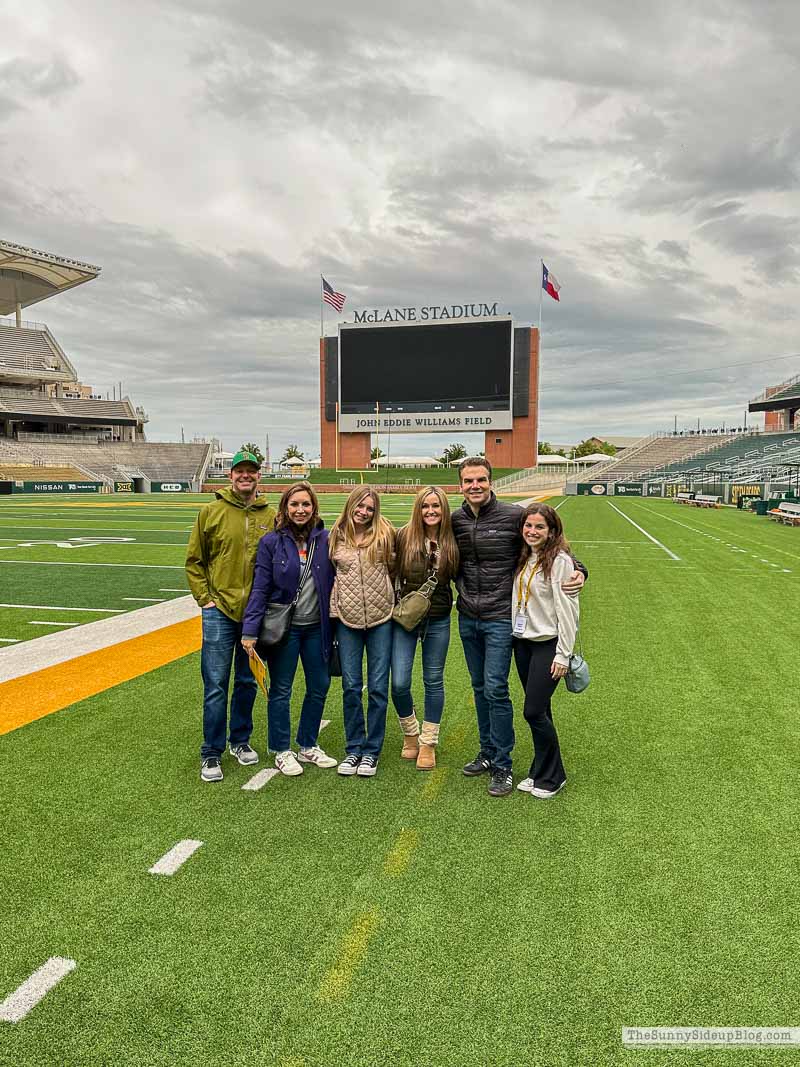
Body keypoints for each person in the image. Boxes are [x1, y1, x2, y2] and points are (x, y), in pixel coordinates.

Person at [451, 456, 586, 798]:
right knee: (480, 686)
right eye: (468, 481)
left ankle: (502, 763)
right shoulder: (456, 520)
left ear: (491, 481)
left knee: (496, 688)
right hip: (468, 616)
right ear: (461, 485)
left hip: (501, 619)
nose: (475, 486)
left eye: (481, 479)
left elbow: (552, 546)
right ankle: (486, 751)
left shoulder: (513, 517)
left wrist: (580, 570)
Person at [186, 449, 276, 783]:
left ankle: (240, 740)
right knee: (215, 684)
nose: (245, 476)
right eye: (240, 471)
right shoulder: (210, 512)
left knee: (247, 680)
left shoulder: (271, 514)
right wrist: (205, 599)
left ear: (258, 476)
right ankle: (211, 752)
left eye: (251, 471)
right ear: (230, 475)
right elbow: (194, 561)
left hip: (255, 613)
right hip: (219, 610)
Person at [241, 482, 338, 775]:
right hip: (285, 629)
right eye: (294, 504)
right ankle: (281, 750)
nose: (300, 510)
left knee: (319, 686)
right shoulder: (271, 542)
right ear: (285, 508)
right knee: (281, 689)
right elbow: (260, 587)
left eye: (306, 504)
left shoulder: (326, 539)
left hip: (317, 628)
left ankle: (308, 745)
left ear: (314, 508)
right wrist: (250, 629)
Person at [390, 485, 459, 770]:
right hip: (406, 619)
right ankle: (410, 733)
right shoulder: (404, 535)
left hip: (439, 618)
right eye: (425, 506)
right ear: (418, 509)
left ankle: (428, 742)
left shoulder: (455, 539)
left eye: (436, 506)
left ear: (444, 509)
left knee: (433, 680)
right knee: (400, 682)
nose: (431, 511)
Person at [329, 485, 396, 778]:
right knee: (351, 687)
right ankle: (354, 748)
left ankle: (372, 752)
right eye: (360, 506)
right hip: (347, 620)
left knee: (379, 688)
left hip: (382, 619)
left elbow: (396, 569)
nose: (364, 512)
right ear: (351, 504)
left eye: (369, 508)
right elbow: (329, 576)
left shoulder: (385, 534)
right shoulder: (335, 535)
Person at [512, 504, 578, 798]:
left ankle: (555, 776)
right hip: (523, 643)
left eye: (540, 527)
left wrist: (563, 654)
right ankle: (540, 770)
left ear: (552, 531)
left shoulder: (561, 561)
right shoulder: (525, 555)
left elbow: (568, 610)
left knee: (533, 711)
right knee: (543, 710)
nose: (532, 531)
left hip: (547, 645)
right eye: (529, 526)